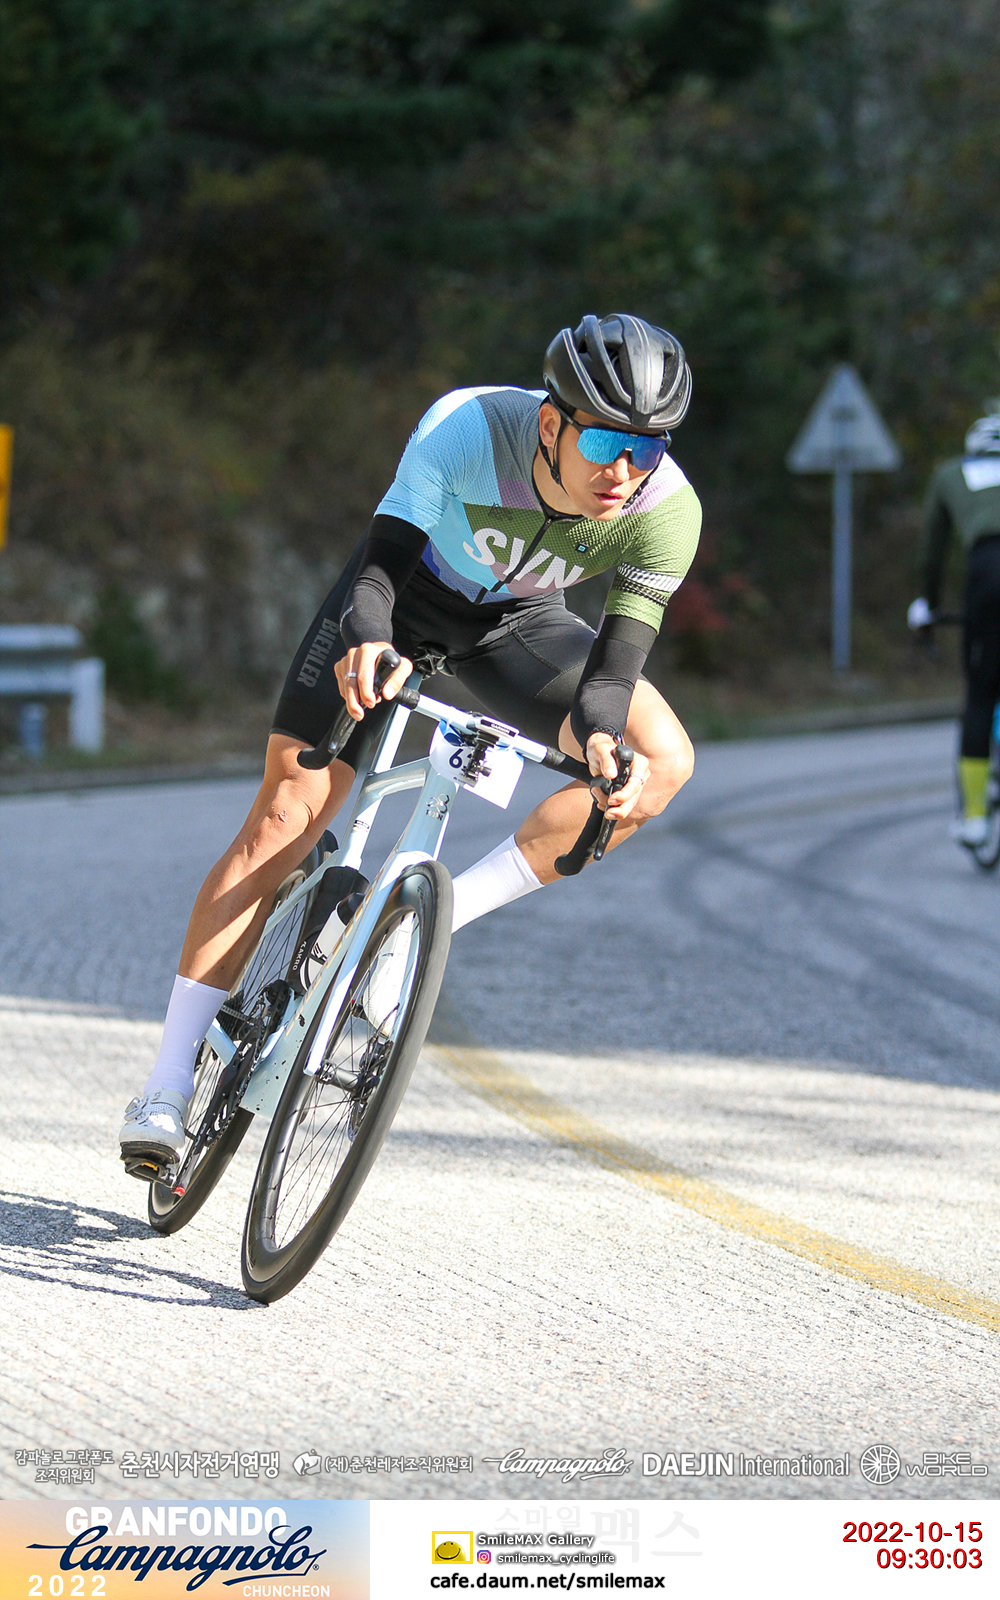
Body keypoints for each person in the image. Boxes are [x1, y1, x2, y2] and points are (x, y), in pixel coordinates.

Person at [118, 312, 703, 1178]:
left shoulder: (667, 511)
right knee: (285, 818)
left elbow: (610, 680)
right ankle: (167, 1083)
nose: (625, 470)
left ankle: (412, 939)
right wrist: (368, 644)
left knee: (664, 763)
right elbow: (378, 572)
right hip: (399, 604)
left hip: (520, 627)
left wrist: (604, 743)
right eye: (607, 441)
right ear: (551, 423)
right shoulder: (470, 428)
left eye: (646, 448)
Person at [908, 413, 1000, 846]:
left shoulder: (952, 473)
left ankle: (975, 818)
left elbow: (933, 548)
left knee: (981, 696)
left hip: (989, 572)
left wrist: (927, 603)